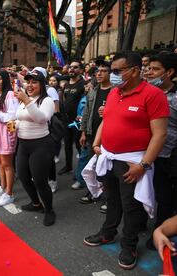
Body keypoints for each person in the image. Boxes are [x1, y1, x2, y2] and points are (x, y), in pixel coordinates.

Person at [83, 52, 169, 270]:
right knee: (112, 200)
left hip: (132, 162)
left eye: (116, 71)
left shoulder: (153, 94)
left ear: (134, 70)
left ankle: (129, 245)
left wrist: (143, 165)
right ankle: (108, 233)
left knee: (132, 206)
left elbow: (160, 134)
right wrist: (97, 143)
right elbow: (107, 120)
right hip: (109, 157)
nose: (113, 75)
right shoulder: (114, 92)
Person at [14, 70, 56, 226]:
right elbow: (21, 119)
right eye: (28, 82)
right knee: (24, 177)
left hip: (40, 145)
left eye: (34, 82)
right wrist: (13, 125)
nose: (30, 85)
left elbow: (42, 119)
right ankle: (35, 203)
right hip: (23, 144)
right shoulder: (25, 100)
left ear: (42, 84)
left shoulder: (47, 100)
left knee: (40, 181)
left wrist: (27, 100)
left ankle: (49, 209)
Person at [146, 51, 177, 248]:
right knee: (144, 192)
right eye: (148, 68)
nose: (149, 73)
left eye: (155, 69)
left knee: (164, 197)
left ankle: (161, 231)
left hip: (167, 157)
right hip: (142, 154)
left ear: (170, 72)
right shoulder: (144, 92)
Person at [78, 60, 112, 208]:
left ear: (111, 73)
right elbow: (86, 113)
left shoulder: (116, 91)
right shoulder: (93, 91)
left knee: (107, 167)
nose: (99, 73)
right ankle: (94, 191)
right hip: (92, 133)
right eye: (97, 71)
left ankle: (108, 197)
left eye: (103, 71)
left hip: (110, 134)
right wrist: (83, 132)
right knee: (93, 165)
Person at [0, 70, 19, 207]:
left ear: (6, 80)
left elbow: (13, 116)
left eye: (0, 79)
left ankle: (9, 193)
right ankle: (3, 187)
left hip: (7, 133)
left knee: (7, 164)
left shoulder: (11, 95)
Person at [59, 60, 85, 175]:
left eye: (75, 67)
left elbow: (85, 103)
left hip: (77, 121)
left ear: (80, 70)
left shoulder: (84, 84)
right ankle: (68, 166)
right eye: (70, 67)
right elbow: (64, 100)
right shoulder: (67, 84)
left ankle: (82, 170)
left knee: (79, 146)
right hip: (66, 120)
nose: (71, 69)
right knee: (67, 145)